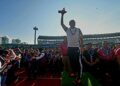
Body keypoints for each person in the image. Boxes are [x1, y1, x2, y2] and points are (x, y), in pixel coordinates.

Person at [59, 8, 83, 85]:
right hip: (70, 49)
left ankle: (79, 79)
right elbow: (61, 24)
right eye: (71, 22)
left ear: (75, 23)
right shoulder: (67, 30)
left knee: (78, 63)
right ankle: (76, 76)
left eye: (74, 22)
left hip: (76, 48)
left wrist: (82, 47)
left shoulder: (78, 29)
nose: (73, 23)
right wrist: (62, 15)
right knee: (73, 64)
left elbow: (82, 38)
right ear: (69, 24)